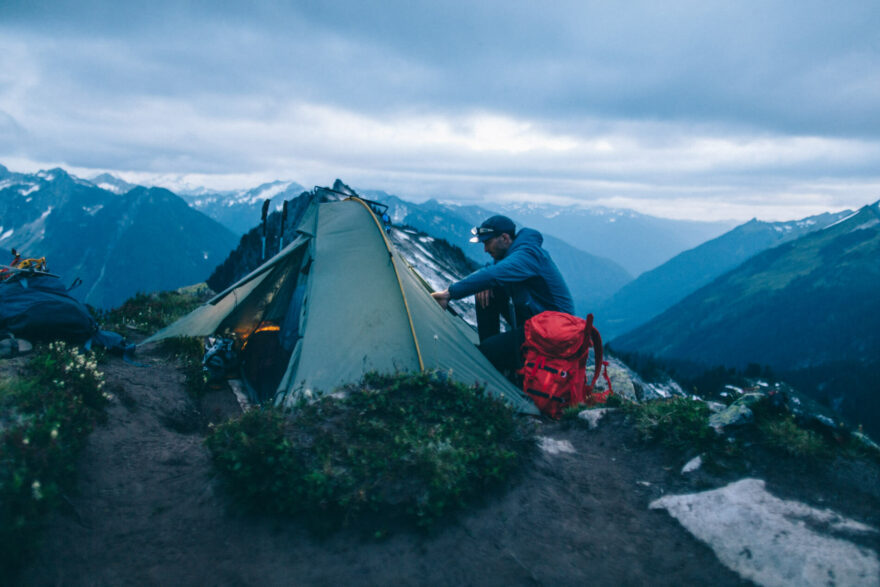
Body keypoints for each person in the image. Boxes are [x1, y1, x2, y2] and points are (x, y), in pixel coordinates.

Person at [431, 215, 574, 375]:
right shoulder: (516, 253)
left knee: (488, 351)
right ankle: (492, 352)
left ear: (505, 238)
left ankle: (492, 356)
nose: (485, 249)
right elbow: (495, 267)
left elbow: (494, 273)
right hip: (538, 323)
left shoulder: (528, 255)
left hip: (555, 332)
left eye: (487, 242)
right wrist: (486, 283)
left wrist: (449, 294)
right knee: (485, 288)